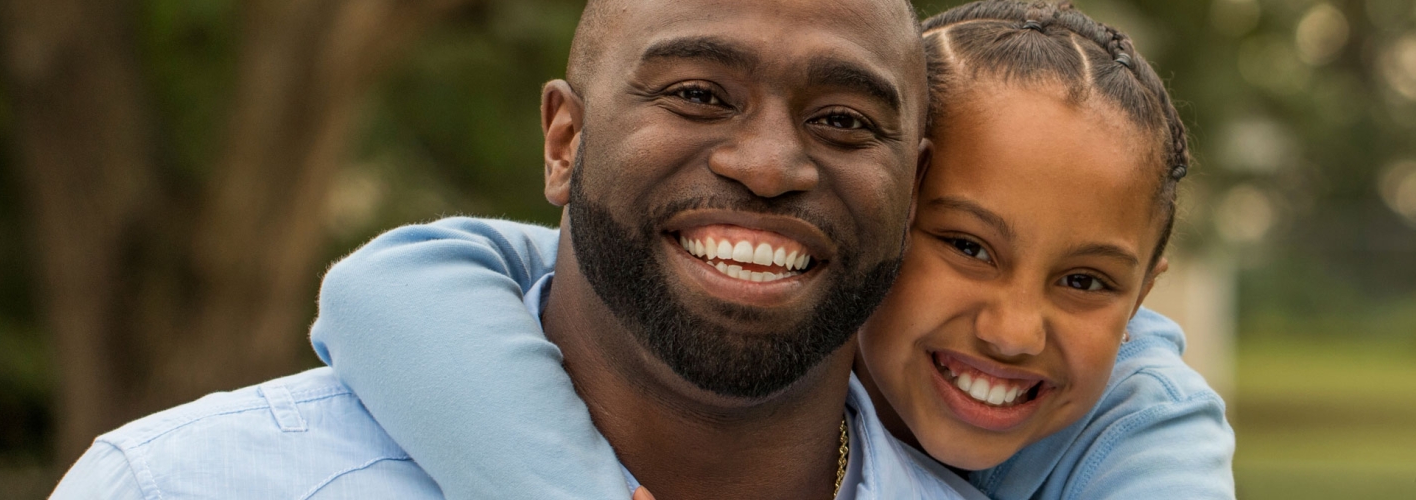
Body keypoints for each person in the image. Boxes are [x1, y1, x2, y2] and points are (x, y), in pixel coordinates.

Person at [49, 0, 986, 498]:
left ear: (914, 187)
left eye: (842, 119)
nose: (771, 164)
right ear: (563, 142)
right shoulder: (182, 486)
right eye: (699, 94)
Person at [311, 1, 1235, 499]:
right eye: (965, 245)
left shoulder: (1137, 419)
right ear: (892, 206)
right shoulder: (709, 266)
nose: (1011, 327)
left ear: (1144, 290)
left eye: (1083, 280)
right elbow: (387, 286)